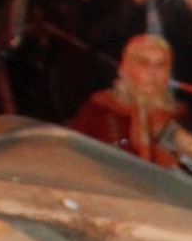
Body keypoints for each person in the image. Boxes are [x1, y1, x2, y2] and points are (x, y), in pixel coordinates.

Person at [70, 30, 184, 163]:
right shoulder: (99, 108)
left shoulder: (178, 116)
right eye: (143, 63)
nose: (152, 73)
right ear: (124, 68)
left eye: (160, 65)